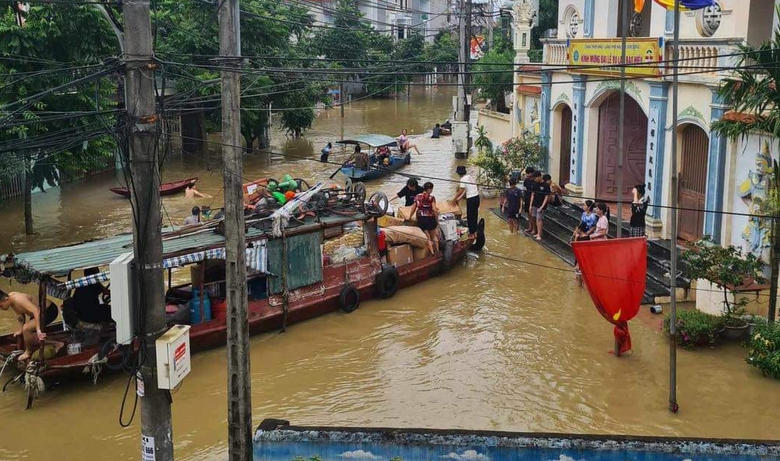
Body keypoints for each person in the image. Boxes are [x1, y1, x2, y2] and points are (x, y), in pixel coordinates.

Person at [0, 290, 47, 362]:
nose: (1, 308)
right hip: (37, 314)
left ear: (6, 299)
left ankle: (28, 352)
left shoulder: (18, 299)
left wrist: (38, 329)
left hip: (47, 311)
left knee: (26, 328)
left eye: (0, 306)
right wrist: (20, 329)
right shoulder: (11, 299)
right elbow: (20, 315)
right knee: (24, 329)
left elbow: (36, 310)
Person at [410, 181, 440, 254]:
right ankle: (438, 252)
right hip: (430, 219)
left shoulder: (417, 196)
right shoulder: (431, 197)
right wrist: (437, 221)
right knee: (434, 237)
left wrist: (410, 216)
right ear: (429, 189)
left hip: (421, 219)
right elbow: (434, 210)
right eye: (432, 189)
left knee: (427, 237)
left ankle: (432, 253)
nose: (432, 191)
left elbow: (413, 207)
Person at [451, 166, 480, 238]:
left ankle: (471, 234)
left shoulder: (463, 179)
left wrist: (453, 199)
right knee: (474, 215)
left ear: (459, 173)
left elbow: (460, 191)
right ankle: (475, 232)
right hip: (477, 197)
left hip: (471, 199)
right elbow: (466, 189)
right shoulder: (469, 177)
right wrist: (460, 198)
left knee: (470, 216)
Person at [530, 172, 551, 241]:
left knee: (539, 219)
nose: (535, 179)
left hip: (541, 205)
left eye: (535, 178)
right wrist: (530, 205)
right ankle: (538, 232)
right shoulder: (535, 184)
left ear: (539, 177)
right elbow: (532, 194)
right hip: (534, 204)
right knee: (534, 217)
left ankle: (539, 234)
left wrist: (542, 206)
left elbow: (546, 196)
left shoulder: (546, 185)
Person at [522, 167, 536, 233]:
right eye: (527, 173)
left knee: (532, 214)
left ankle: (534, 229)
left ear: (532, 173)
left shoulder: (535, 181)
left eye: (528, 173)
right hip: (527, 199)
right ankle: (530, 227)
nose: (527, 175)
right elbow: (524, 190)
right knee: (528, 214)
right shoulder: (526, 181)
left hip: (533, 200)